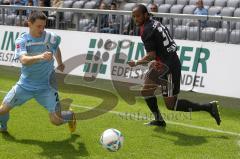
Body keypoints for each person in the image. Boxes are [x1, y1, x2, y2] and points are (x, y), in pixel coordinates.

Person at [128, 4, 221, 127]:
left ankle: (208, 107)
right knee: (146, 91)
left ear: (145, 14)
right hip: (161, 64)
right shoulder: (154, 23)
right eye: (134, 17)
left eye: (138, 16)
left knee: (171, 105)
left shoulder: (146, 30)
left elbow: (151, 55)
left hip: (168, 67)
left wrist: (136, 63)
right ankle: (159, 120)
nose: (136, 19)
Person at [0, 11, 76, 132]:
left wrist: (60, 63)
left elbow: (56, 48)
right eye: (39, 26)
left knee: (55, 121)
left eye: (44, 26)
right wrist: (40, 57)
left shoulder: (51, 37)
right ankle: (3, 127)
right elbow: (24, 60)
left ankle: (70, 115)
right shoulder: (22, 41)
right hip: (25, 84)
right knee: (2, 110)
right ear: (29, 24)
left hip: (47, 86)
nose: (42, 29)